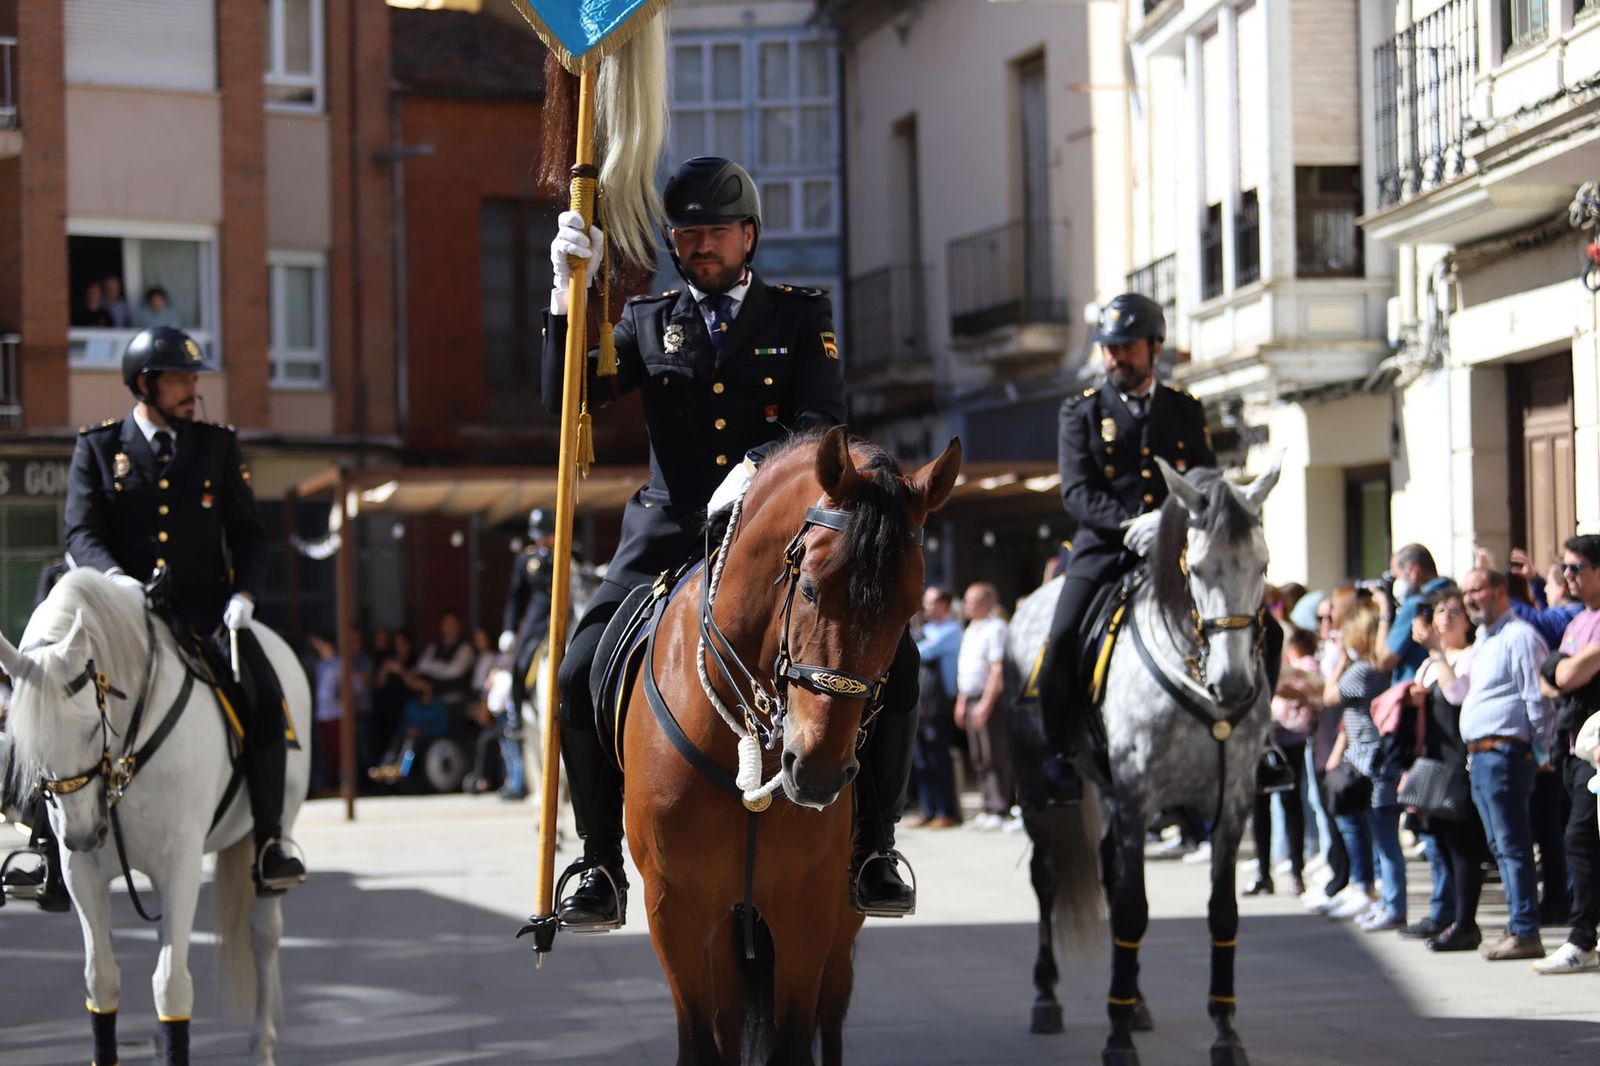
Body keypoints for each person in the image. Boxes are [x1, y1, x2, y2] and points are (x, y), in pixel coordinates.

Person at [541, 155, 919, 928]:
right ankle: (598, 860)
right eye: (687, 234)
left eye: (716, 231)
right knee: (578, 669)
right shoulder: (646, 321)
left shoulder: (799, 315)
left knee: (898, 662)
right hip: (669, 531)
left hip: (771, 531)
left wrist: (755, 469)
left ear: (749, 236)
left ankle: (874, 846)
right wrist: (565, 291)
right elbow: (565, 398)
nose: (701, 245)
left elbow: (820, 422)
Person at [59, 326, 304, 893]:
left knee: (265, 700)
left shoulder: (216, 446)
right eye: (180, 379)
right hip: (118, 617)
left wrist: (244, 596)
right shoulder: (99, 447)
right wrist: (116, 581)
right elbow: (81, 532)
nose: (193, 389)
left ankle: (271, 840)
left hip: (203, 615)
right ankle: (42, 848)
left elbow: (249, 534)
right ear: (145, 385)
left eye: (195, 378)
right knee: (50, 697)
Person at [1035, 293, 1284, 803]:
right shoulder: (1080, 411)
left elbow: (1207, 480)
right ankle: (1060, 756)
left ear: (1155, 347)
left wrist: (1173, 523)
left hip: (1180, 547)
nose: (1116, 358)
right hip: (1106, 548)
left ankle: (1262, 742)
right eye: (1110, 348)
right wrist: (1133, 522)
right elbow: (1076, 492)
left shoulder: (1184, 408)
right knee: (1061, 639)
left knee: (1269, 630)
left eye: (1127, 347)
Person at [1458, 567, 1555, 961]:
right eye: (1466, 592)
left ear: (1500, 591)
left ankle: (1525, 930)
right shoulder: (1485, 639)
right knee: (1501, 848)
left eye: (1476, 590)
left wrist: (1542, 751)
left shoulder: (1519, 637)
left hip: (1506, 754)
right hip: (1483, 756)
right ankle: (1518, 925)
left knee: (1513, 847)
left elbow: (1537, 698)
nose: (1469, 599)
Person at [1533, 535, 1600, 974]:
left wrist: (1561, 669)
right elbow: (1550, 680)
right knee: (1579, 840)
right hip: (1576, 750)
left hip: (1596, 756)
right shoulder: (1578, 621)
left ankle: (1581, 939)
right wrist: (1561, 669)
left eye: (1576, 568)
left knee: (1580, 839)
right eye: (1566, 568)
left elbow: (1568, 675)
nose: (1567, 577)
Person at [1321, 602, 1400, 927]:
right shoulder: (1378, 670)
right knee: (1374, 832)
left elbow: (1328, 696)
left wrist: (1341, 658)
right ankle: (1372, 891)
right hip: (1369, 759)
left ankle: (1379, 895)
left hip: (1368, 763)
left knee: (1379, 836)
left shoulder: (1363, 670)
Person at [956, 584, 1012, 830]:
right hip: (970, 696)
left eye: (972, 600)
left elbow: (996, 669)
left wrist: (986, 704)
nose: (967, 605)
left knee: (994, 755)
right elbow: (967, 669)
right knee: (978, 756)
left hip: (988, 699)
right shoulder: (971, 629)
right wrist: (961, 701)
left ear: (986, 603)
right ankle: (988, 805)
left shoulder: (996, 628)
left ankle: (1000, 808)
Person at [499, 508, 558, 724]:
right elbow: (515, 597)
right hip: (538, 618)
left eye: (547, 535)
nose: (543, 540)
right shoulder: (526, 559)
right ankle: (516, 712)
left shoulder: (571, 553)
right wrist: (509, 629)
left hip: (567, 613)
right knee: (521, 660)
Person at [911, 586, 962, 828]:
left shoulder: (952, 630)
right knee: (921, 760)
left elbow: (921, 652)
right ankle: (928, 809)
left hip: (939, 704)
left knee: (938, 758)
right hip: (921, 702)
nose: (926, 607)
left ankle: (946, 811)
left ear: (944, 604)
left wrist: (916, 641)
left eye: (931, 602)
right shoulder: (928, 630)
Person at [1378, 544, 1453, 683]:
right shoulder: (1454, 594)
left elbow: (1384, 662)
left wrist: (1384, 610)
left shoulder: (1415, 604)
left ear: (1412, 570)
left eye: (1396, 576)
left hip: (1415, 685)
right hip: (1448, 678)